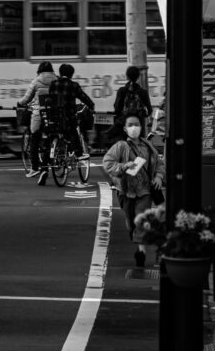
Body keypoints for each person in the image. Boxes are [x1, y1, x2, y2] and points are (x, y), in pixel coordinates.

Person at [103, 112, 165, 268]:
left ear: (141, 126)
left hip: (145, 190)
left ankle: (141, 252)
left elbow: (159, 164)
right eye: (130, 125)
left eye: (136, 124)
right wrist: (123, 167)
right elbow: (108, 164)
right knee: (131, 222)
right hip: (125, 191)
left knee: (140, 219)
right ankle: (139, 242)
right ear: (125, 129)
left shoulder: (149, 146)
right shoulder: (120, 146)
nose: (134, 128)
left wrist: (158, 177)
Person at [40, 63, 95, 186]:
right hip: (68, 120)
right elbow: (83, 97)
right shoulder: (73, 85)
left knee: (50, 141)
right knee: (74, 133)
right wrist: (91, 106)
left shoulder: (54, 84)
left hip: (54, 120)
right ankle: (79, 154)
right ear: (71, 74)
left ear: (60, 73)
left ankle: (44, 168)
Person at [16, 61, 56, 179]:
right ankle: (46, 166)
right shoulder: (57, 80)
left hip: (38, 115)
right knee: (50, 138)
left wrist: (19, 103)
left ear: (39, 71)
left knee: (35, 138)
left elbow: (27, 98)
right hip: (53, 115)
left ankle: (34, 168)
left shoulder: (36, 81)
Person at [111, 65, 152, 140]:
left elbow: (117, 109)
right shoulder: (143, 92)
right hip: (139, 126)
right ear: (138, 77)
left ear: (127, 76)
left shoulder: (122, 91)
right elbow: (149, 110)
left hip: (125, 126)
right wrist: (141, 114)